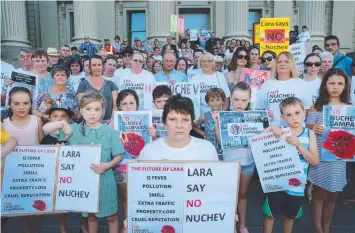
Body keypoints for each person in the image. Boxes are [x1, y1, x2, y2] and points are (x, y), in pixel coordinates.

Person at [43, 92, 124, 233]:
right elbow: (46, 129)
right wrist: (63, 122)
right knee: (91, 216)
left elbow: (118, 155)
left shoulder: (109, 132)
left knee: (111, 216)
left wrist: (107, 165)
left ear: (103, 111)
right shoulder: (72, 129)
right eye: (88, 109)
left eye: (97, 109)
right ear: (81, 110)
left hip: (105, 180)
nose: (93, 113)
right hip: (83, 182)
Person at [263, 97, 319, 233]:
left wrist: (299, 146)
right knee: (270, 215)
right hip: (276, 182)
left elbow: (315, 161)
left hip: (297, 185)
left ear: (304, 113)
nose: (294, 117)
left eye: (297, 112)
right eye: (289, 114)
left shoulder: (309, 134)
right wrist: (270, 128)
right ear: (282, 117)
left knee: (290, 217)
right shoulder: (279, 132)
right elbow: (258, 144)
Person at [306, 68, 351, 233]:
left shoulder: (349, 108)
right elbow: (307, 126)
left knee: (333, 194)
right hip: (320, 155)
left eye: (340, 83)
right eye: (331, 83)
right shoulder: (317, 106)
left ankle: (327, 228)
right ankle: (318, 229)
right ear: (325, 85)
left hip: (339, 157)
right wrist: (314, 126)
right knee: (319, 194)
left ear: (345, 86)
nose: (335, 87)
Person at [39, 106, 87, 233]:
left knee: (83, 202)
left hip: (77, 174)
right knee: (60, 204)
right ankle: (62, 229)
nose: (59, 119)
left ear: (69, 119)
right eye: (55, 116)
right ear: (49, 119)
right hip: (58, 177)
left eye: (63, 116)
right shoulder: (46, 139)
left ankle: (84, 227)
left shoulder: (75, 136)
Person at [110, 89, 156, 220]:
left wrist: (154, 134)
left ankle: (140, 224)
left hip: (141, 167)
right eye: (124, 103)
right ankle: (126, 225)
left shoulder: (147, 121)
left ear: (137, 104)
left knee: (141, 198)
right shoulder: (113, 123)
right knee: (125, 198)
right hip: (121, 167)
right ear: (119, 105)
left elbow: (154, 145)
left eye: (131, 103)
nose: (128, 106)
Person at [3, 87, 44, 233]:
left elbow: (43, 144)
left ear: (31, 104)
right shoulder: (4, 123)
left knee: (38, 206)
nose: (21, 107)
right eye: (17, 103)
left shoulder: (37, 120)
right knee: (22, 207)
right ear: (10, 104)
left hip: (35, 170)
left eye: (25, 103)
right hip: (12, 174)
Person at [139, 94, 219, 161]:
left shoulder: (207, 149)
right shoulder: (149, 152)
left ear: (191, 124)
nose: (179, 125)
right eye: (173, 119)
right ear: (165, 123)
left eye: (185, 120)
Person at [256, 51, 312, 126]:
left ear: (292, 64)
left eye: (286, 61)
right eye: (279, 62)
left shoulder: (302, 84)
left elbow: (307, 110)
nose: (282, 64)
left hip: (296, 132)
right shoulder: (267, 84)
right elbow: (259, 109)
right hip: (273, 132)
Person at [77, 55, 118, 122]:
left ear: (103, 66)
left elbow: (115, 106)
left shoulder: (111, 84)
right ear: (90, 67)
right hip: (89, 123)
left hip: (108, 124)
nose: (97, 67)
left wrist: (111, 120)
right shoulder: (83, 84)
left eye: (99, 65)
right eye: (94, 65)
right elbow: (82, 105)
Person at [191, 52, 231, 116]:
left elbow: (226, 97)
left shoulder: (220, 76)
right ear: (200, 63)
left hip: (217, 115)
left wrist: (223, 114)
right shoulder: (195, 78)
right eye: (204, 61)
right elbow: (192, 98)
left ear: (213, 63)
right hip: (200, 116)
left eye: (209, 61)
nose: (206, 63)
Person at [193, 88, 225, 159]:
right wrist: (203, 134)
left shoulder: (226, 115)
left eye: (218, 99)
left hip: (224, 149)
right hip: (210, 146)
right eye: (212, 100)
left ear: (223, 100)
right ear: (207, 102)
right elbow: (193, 125)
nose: (215, 103)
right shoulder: (205, 116)